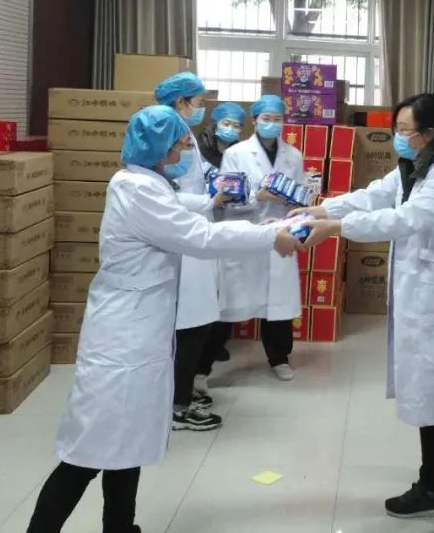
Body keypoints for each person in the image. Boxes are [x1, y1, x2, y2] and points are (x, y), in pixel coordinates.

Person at [26, 106, 302, 533]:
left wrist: (229, 205)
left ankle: (120, 527)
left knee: (129, 443)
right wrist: (269, 234)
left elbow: (184, 208)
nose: (183, 152)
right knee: (88, 450)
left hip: (142, 334)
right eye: (178, 145)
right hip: (122, 341)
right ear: (156, 147)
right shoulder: (137, 190)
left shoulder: (150, 184)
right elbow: (199, 236)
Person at [296, 93, 434, 519]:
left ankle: (431, 488)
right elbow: (374, 195)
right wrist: (322, 209)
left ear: (430, 133)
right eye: (397, 129)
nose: (398, 138)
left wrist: (337, 228)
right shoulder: (415, 164)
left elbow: (406, 219)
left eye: (405, 131)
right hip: (430, 290)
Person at [153, 72, 228, 431]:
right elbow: (167, 193)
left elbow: (195, 171)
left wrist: (217, 180)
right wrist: (209, 201)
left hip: (196, 233)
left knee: (197, 323)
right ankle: (178, 406)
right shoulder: (165, 134)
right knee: (190, 326)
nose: (201, 108)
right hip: (185, 237)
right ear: (181, 101)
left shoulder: (184, 133)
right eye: (197, 102)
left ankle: (180, 393)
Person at [218, 94, 304, 380]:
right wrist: (259, 196)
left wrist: (294, 204)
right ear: (254, 121)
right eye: (266, 118)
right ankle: (205, 362)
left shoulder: (293, 155)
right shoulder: (236, 153)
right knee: (231, 298)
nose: (272, 124)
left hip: (279, 231)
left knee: (277, 300)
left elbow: (301, 196)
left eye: (277, 119)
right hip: (244, 231)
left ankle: (279, 358)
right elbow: (226, 198)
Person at [191, 101, 248, 386]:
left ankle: (214, 347)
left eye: (237, 125)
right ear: (215, 124)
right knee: (205, 295)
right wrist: (213, 198)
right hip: (201, 224)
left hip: (227, 225)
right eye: (226, 123)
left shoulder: (239, 153)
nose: (231, 129)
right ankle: (199, 359)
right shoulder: (197, 151)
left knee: (226, 293)